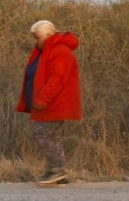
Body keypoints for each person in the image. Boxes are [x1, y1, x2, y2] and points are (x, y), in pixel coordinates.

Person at [16, 19, 81, 186]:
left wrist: (43, 98)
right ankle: (58, 173)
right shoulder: (44, 51)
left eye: (37, 37)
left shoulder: (59, 51)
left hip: (53, 103)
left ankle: (57, 170)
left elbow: (57, 79)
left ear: (47, 35)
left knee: (43, 133)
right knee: (49, 135)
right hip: (45, 103)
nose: (35, 41)